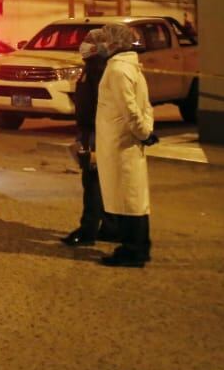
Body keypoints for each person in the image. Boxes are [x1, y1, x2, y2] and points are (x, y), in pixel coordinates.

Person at [95, 22, 158, 267]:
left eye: (103, 39)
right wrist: (146, 131)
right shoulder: (131, 68)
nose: (100, 44)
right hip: (126, 141)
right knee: (132, 196)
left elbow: (131, 109)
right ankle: (138, 247)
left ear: (114, 43)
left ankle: (132, 250)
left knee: (126, 198)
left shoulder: (118, 70)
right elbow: (145, 106)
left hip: (119, 142)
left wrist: (143, 133)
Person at [62, 28, 118, 246]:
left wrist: (93, 140)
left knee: (92, 180)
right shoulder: (93, 66)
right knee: (102, 180)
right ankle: (110, 227)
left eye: (87, 41)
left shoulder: (99, 68)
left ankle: (88, 230)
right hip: (91, 129)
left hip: (96, 131)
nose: (83, 45)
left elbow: (101, 104)